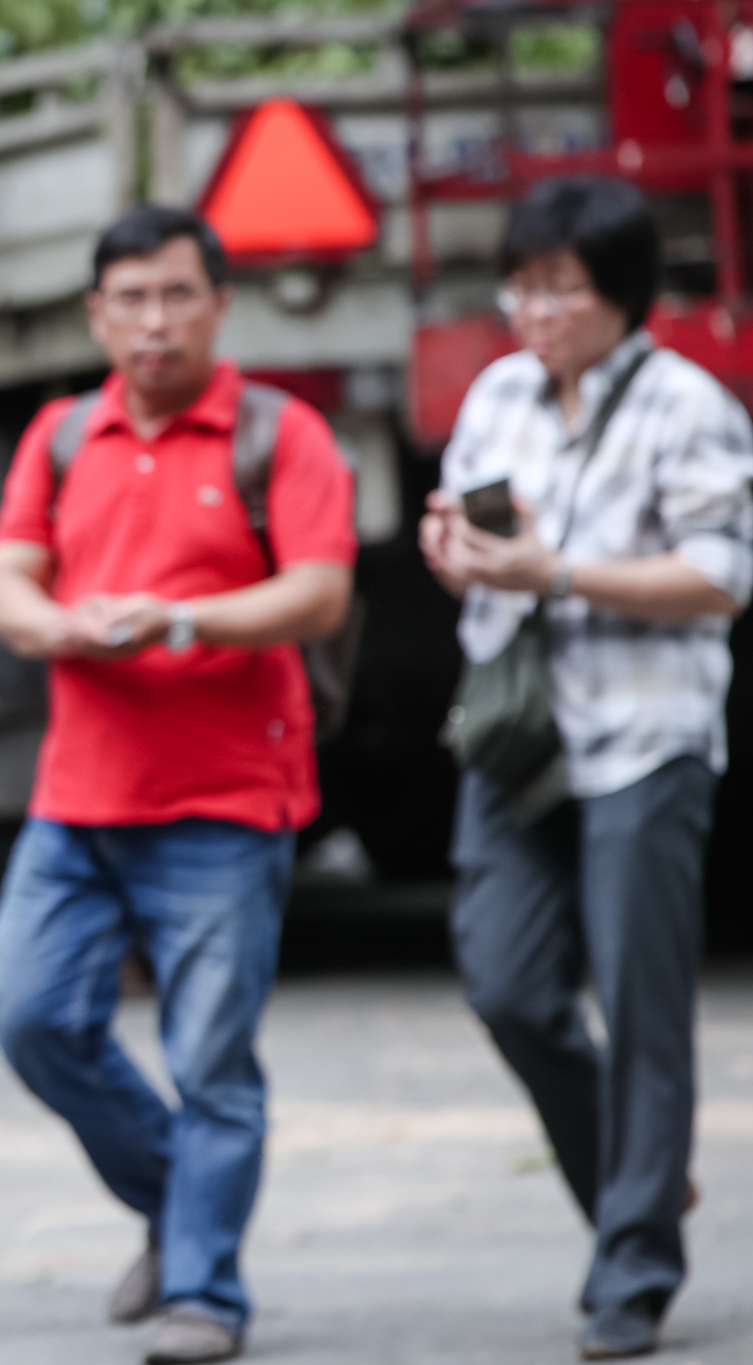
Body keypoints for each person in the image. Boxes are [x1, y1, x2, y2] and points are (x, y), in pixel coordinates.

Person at [0, 205, 356, 1365]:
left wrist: (176, 619)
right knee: (31, 1014)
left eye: (175, 295)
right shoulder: (57, 435)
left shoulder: (278, 435)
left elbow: (317, 592)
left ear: (217, 304)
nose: (153, 321)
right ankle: (176, 1200)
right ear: (96, 315)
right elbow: (4, 584)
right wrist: (60, 627)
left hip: (227, 803)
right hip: (77, 798)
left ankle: (205, 1293)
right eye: (129, 299)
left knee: (210, 1061)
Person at [419, 176, 753, 1361]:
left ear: (618, 294)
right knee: (503, 984)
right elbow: (465, 532)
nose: (534, 311)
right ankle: (643, 1179)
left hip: (645, 735)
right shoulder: (499, 392)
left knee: (641, 999)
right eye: (521, 285)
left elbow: (720, 575)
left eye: (559, 288)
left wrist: (557, 574)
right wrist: (453, 550)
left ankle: (631, 1269)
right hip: (519, 734)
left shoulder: (687, 406)